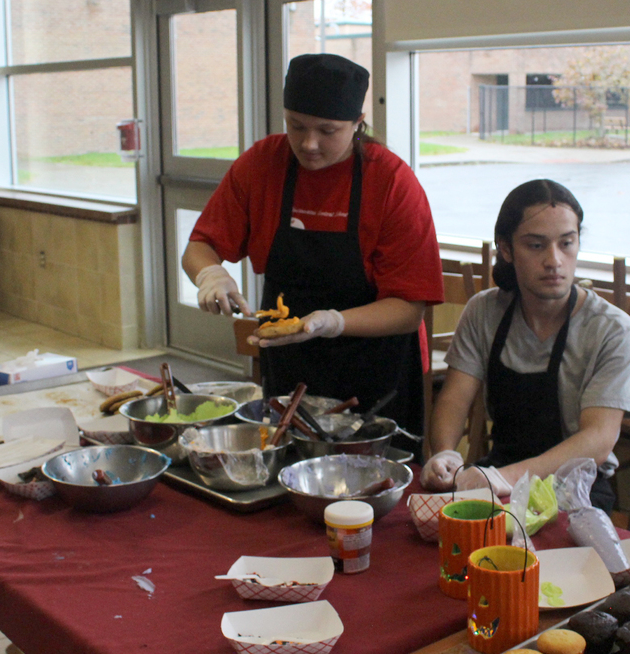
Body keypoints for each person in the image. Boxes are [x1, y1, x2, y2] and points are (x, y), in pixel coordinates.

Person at [182, 53, 443, 438]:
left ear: (357, 124)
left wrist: (331, 322)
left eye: (328, 130)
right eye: (296, 125)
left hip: (376, 377)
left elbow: (408, 309)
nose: (309, 144)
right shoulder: (262, 165)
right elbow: (200, 245)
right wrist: (211, 273)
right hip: (289, 368)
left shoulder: (390, 181)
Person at [420, 179, 630, 512]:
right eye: (536, 246)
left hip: (577, 492)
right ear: (506, 249)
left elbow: (597, 439)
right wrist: (445, 456)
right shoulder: (484, 311)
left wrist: (502, 480)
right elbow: (453, 399)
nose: (554, 260)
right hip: (501, 472)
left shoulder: (613, 331)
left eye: (566, 243)